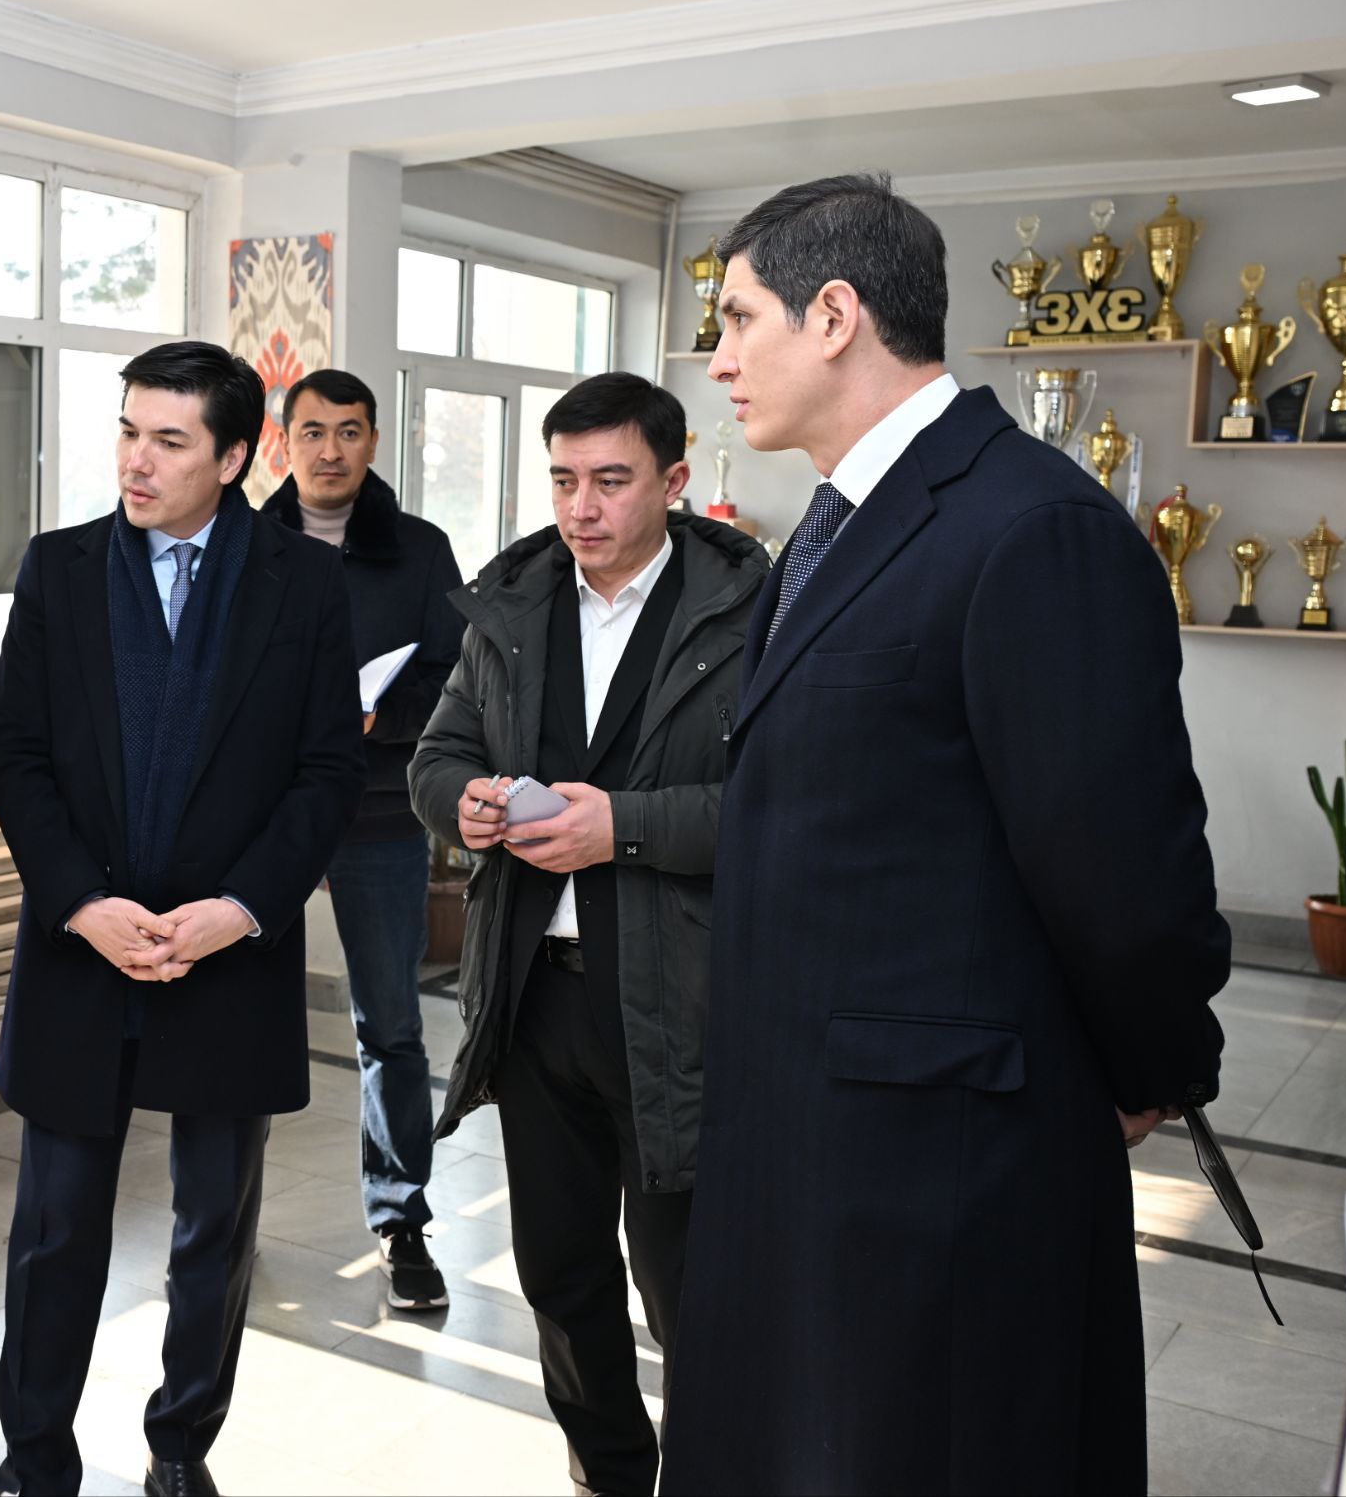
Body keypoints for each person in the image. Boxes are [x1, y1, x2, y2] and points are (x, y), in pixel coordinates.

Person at [659, 174, 1230, 1494]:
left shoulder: (1030, 526)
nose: (718, 359)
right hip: (805, 1129)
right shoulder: (836, 523)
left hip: (939, 1160)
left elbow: (1119, 864)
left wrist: (1153, 1062)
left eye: (736, 319)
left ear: (835, 315)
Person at [0, 340, 364, 1497]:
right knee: (56, 1230)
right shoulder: (58, 569)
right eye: (126, 432)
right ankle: (34, 1459)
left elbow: (325, 775)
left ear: (235, 457)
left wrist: (239, 910)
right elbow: (18, 754)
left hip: (229, 959)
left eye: (167, 440)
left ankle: (179, 1448)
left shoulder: (304, 585)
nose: (134, 463)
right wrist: (78, 904)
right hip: (81, 953)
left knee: (212, 1231)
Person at [409, 373, 765, 1496]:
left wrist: (625, 827)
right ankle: (608, 1474)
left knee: (686, 1288)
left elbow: (782, 809)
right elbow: (436, 756)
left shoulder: (750, 613)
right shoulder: (512, 606)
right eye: (563, 480)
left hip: (682, 1002)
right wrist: (463, 804)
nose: (581, 507)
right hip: (533, 997)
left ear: (675, 480)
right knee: (559, 1276)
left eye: (611, 480)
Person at [253, 368, 462, 1310]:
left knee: (392, 1024)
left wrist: (389, 713)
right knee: (240, 1018)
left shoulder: (420, 549)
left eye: (349, 431)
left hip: (380, 811)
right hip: (265, 814)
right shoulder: (245, 542)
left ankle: (401, 1218)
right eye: (312, 431)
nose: (330, 449)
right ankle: (222, 1212)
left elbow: (457, 673)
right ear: (282, 442)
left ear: (374, 440)